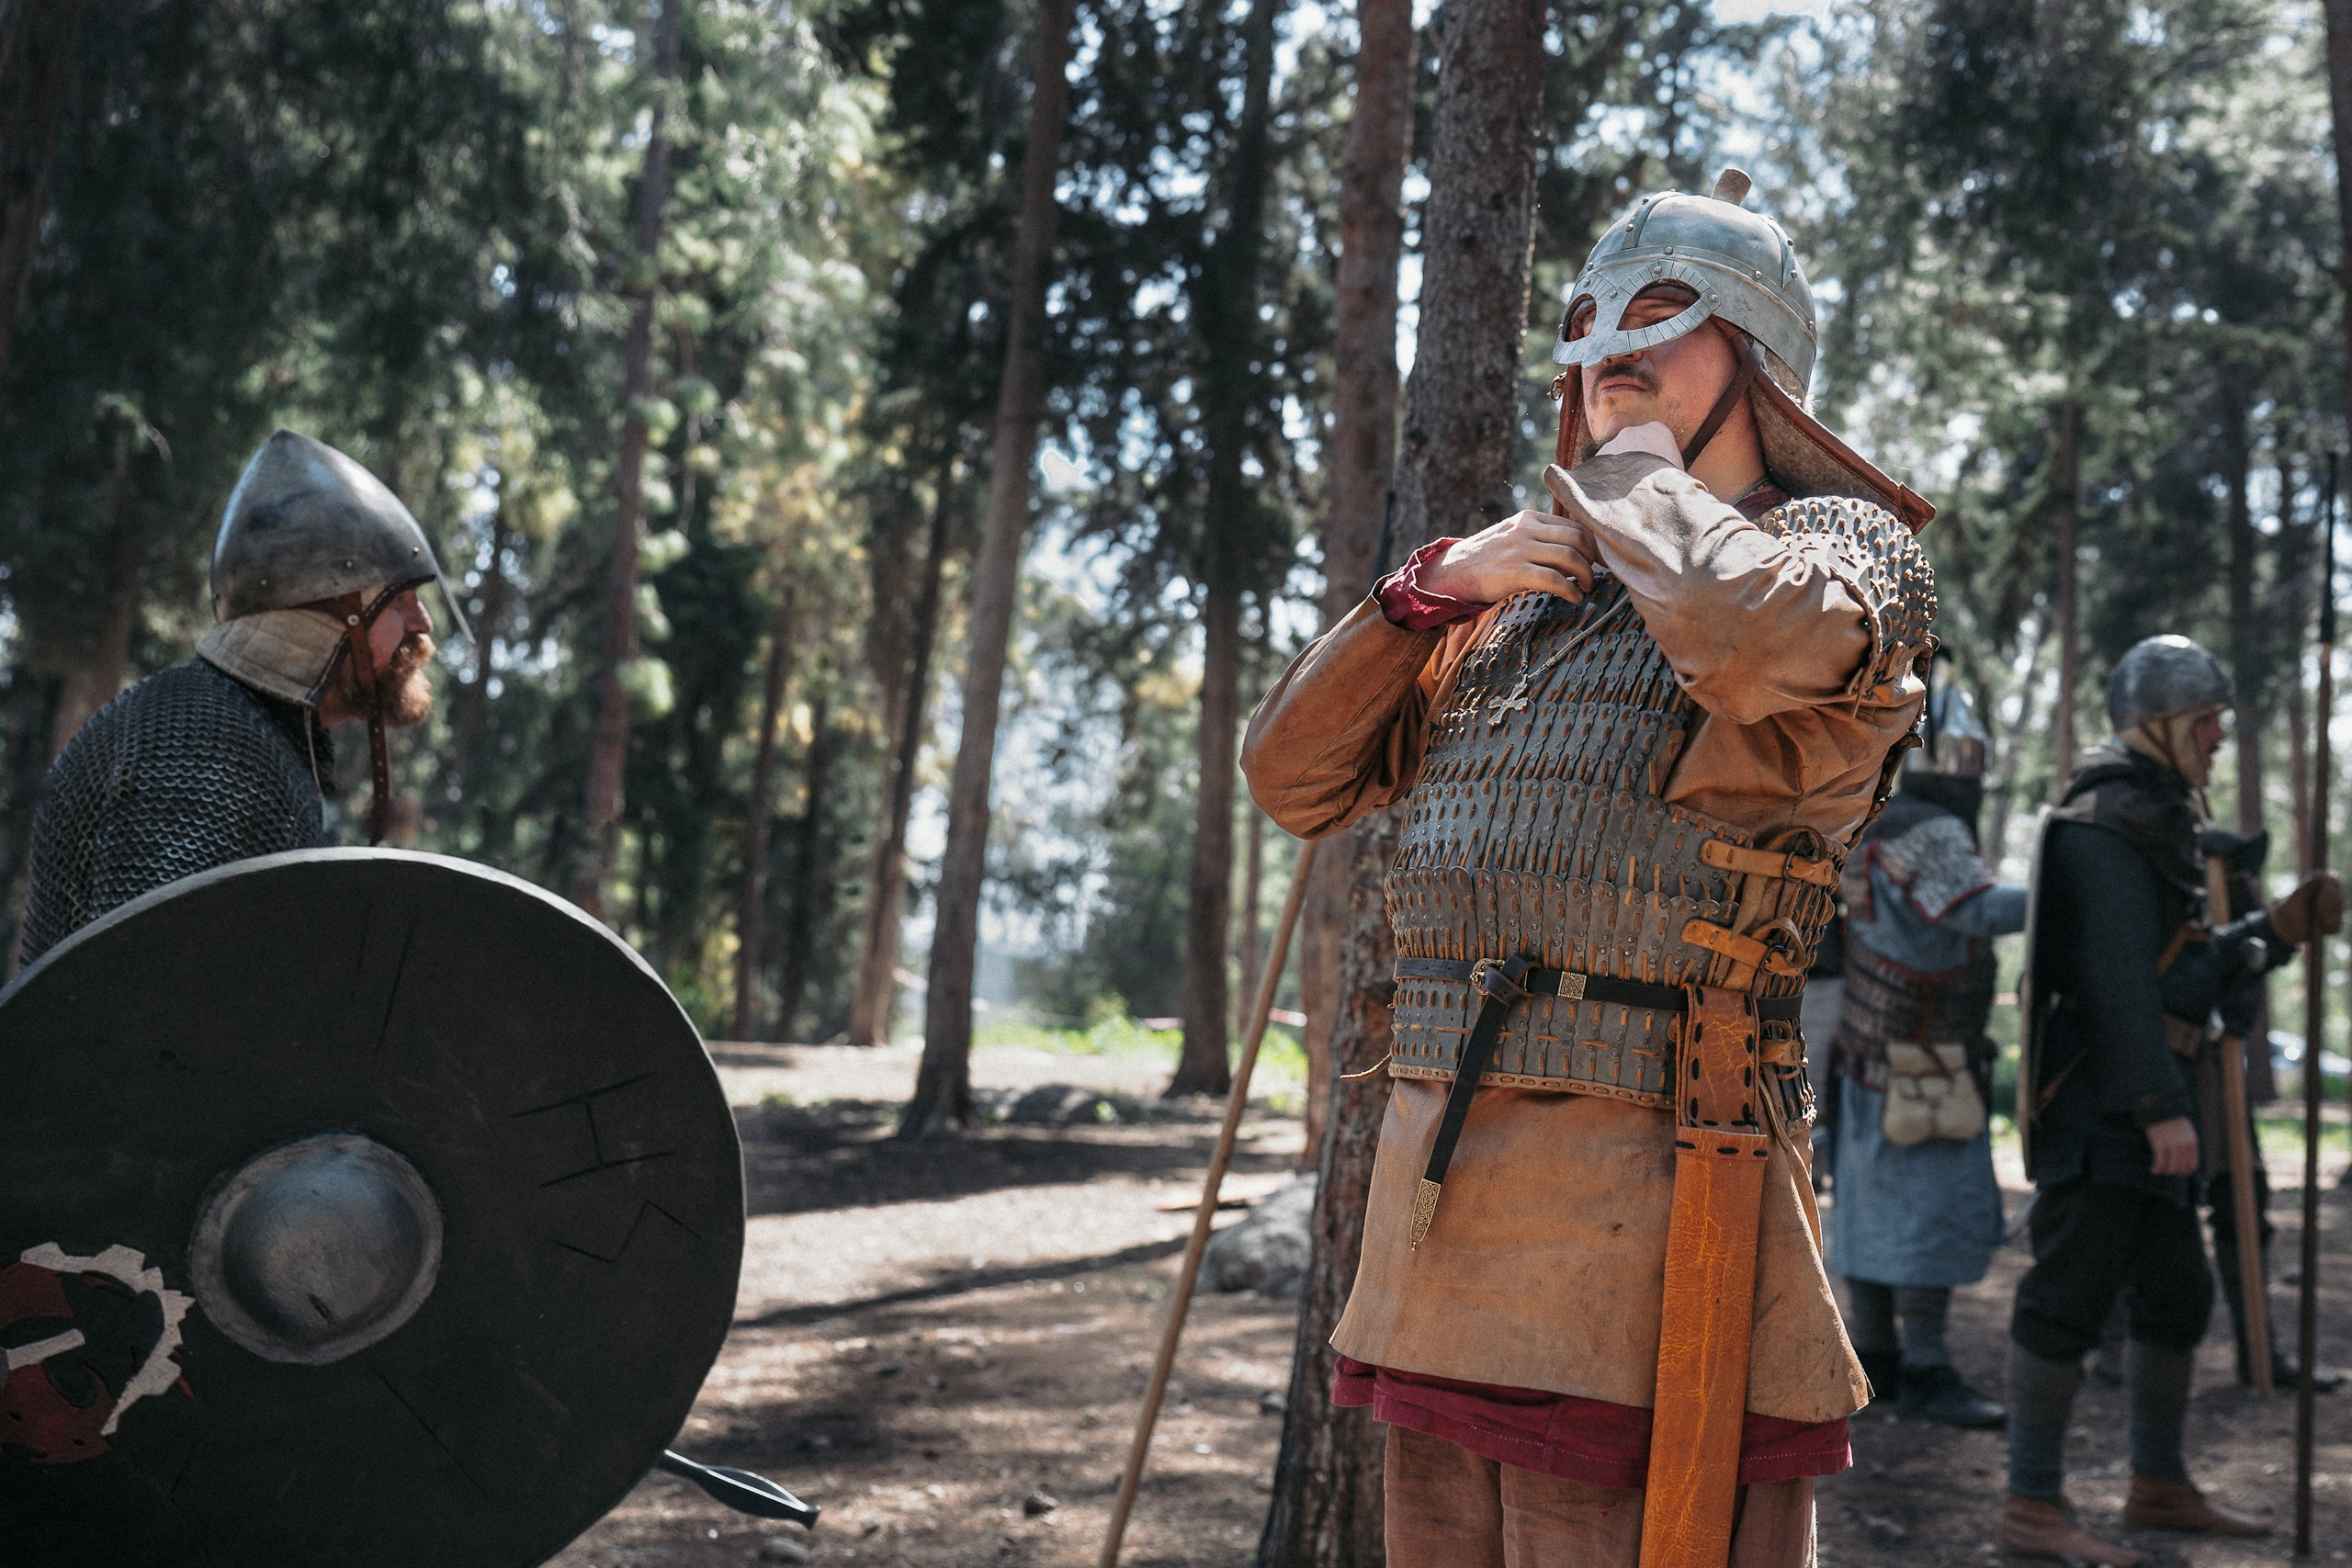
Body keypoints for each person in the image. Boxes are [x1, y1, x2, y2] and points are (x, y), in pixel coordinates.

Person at [1244, 169, 1936, 1565]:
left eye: (1659, 320)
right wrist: (1429, 588)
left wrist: (1628, 469)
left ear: (1757, 359)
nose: (1608, 352)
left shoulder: (1846, 554)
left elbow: (1734, 639)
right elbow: (1293, 776)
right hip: (1436, 1212)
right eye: (1589, 327)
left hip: (1653, 1189)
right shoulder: (1519, 603)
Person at [2004, 634, 2341, 1563]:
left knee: (2175, 1293)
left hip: (2133, 1110)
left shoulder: (2150, 818)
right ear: (2159, 726)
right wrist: (2158, 1105)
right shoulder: (2107, 821)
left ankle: (2155, 1486)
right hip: (2103, 1112)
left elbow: (2181, 967)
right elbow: (2118, 986)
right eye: (2207, 724)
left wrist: (2271, 931)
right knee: (2066, 1296)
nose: (2219, 742)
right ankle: (2029, 1504)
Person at [17, 428, 464, 964]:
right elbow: (148, 997)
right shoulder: (202, 747)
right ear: (330, 614)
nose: (423, 622)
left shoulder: (242, 737)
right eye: (399, 600)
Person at [1821, 680, 2023, 1428]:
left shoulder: (1866, 822)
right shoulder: (1931, 830)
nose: (1969, 772)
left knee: (1871, 1215)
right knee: (1927, 1216)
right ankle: (1927, 1367)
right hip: (1925, 1073)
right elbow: (1974, 909)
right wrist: (2065, 878)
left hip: (1865, 1063)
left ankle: (1876, 1362)